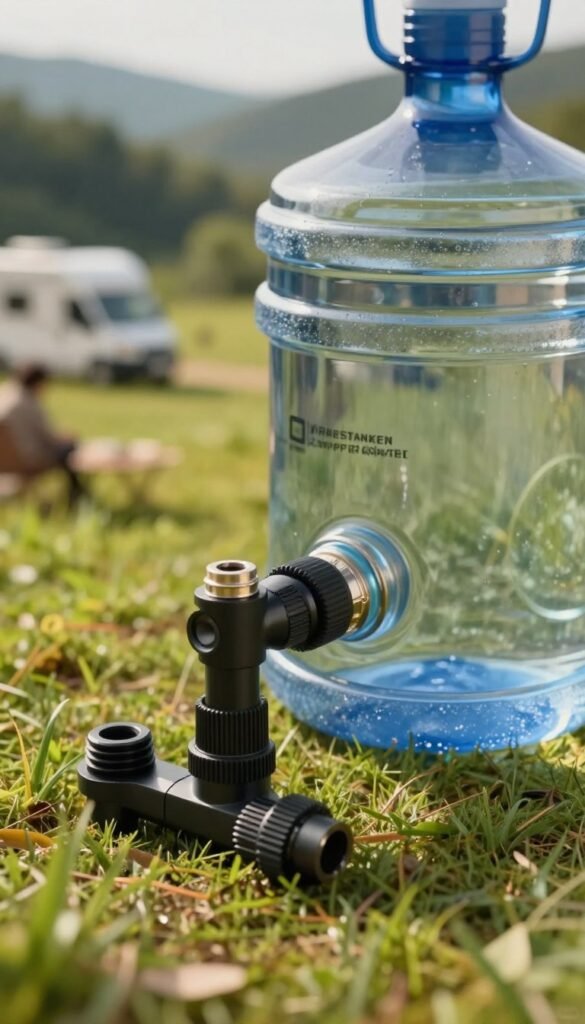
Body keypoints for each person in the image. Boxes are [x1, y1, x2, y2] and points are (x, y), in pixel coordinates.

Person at [0, 364, 85, 505]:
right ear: (39, 382)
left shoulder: (5, 394)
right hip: (26, 460)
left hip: (5, 461)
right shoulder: (28, 402)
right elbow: (47, 437)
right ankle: (76, 494)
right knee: (67, 449)